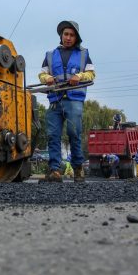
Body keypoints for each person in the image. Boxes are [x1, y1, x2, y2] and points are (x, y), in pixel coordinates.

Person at [38, 20, 95, 182]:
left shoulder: (84, 54)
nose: (68, 37)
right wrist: (47, 78)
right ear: (61, 36)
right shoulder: (50, 55)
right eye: (66, 34)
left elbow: (92, 75)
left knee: (73, 133)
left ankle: (78, 168)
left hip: (74, 100)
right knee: (53, 135)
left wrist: (80, 76)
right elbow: (41, 75)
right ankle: (55, 170)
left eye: (71, 35)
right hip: (55, 100)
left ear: (76, 38)